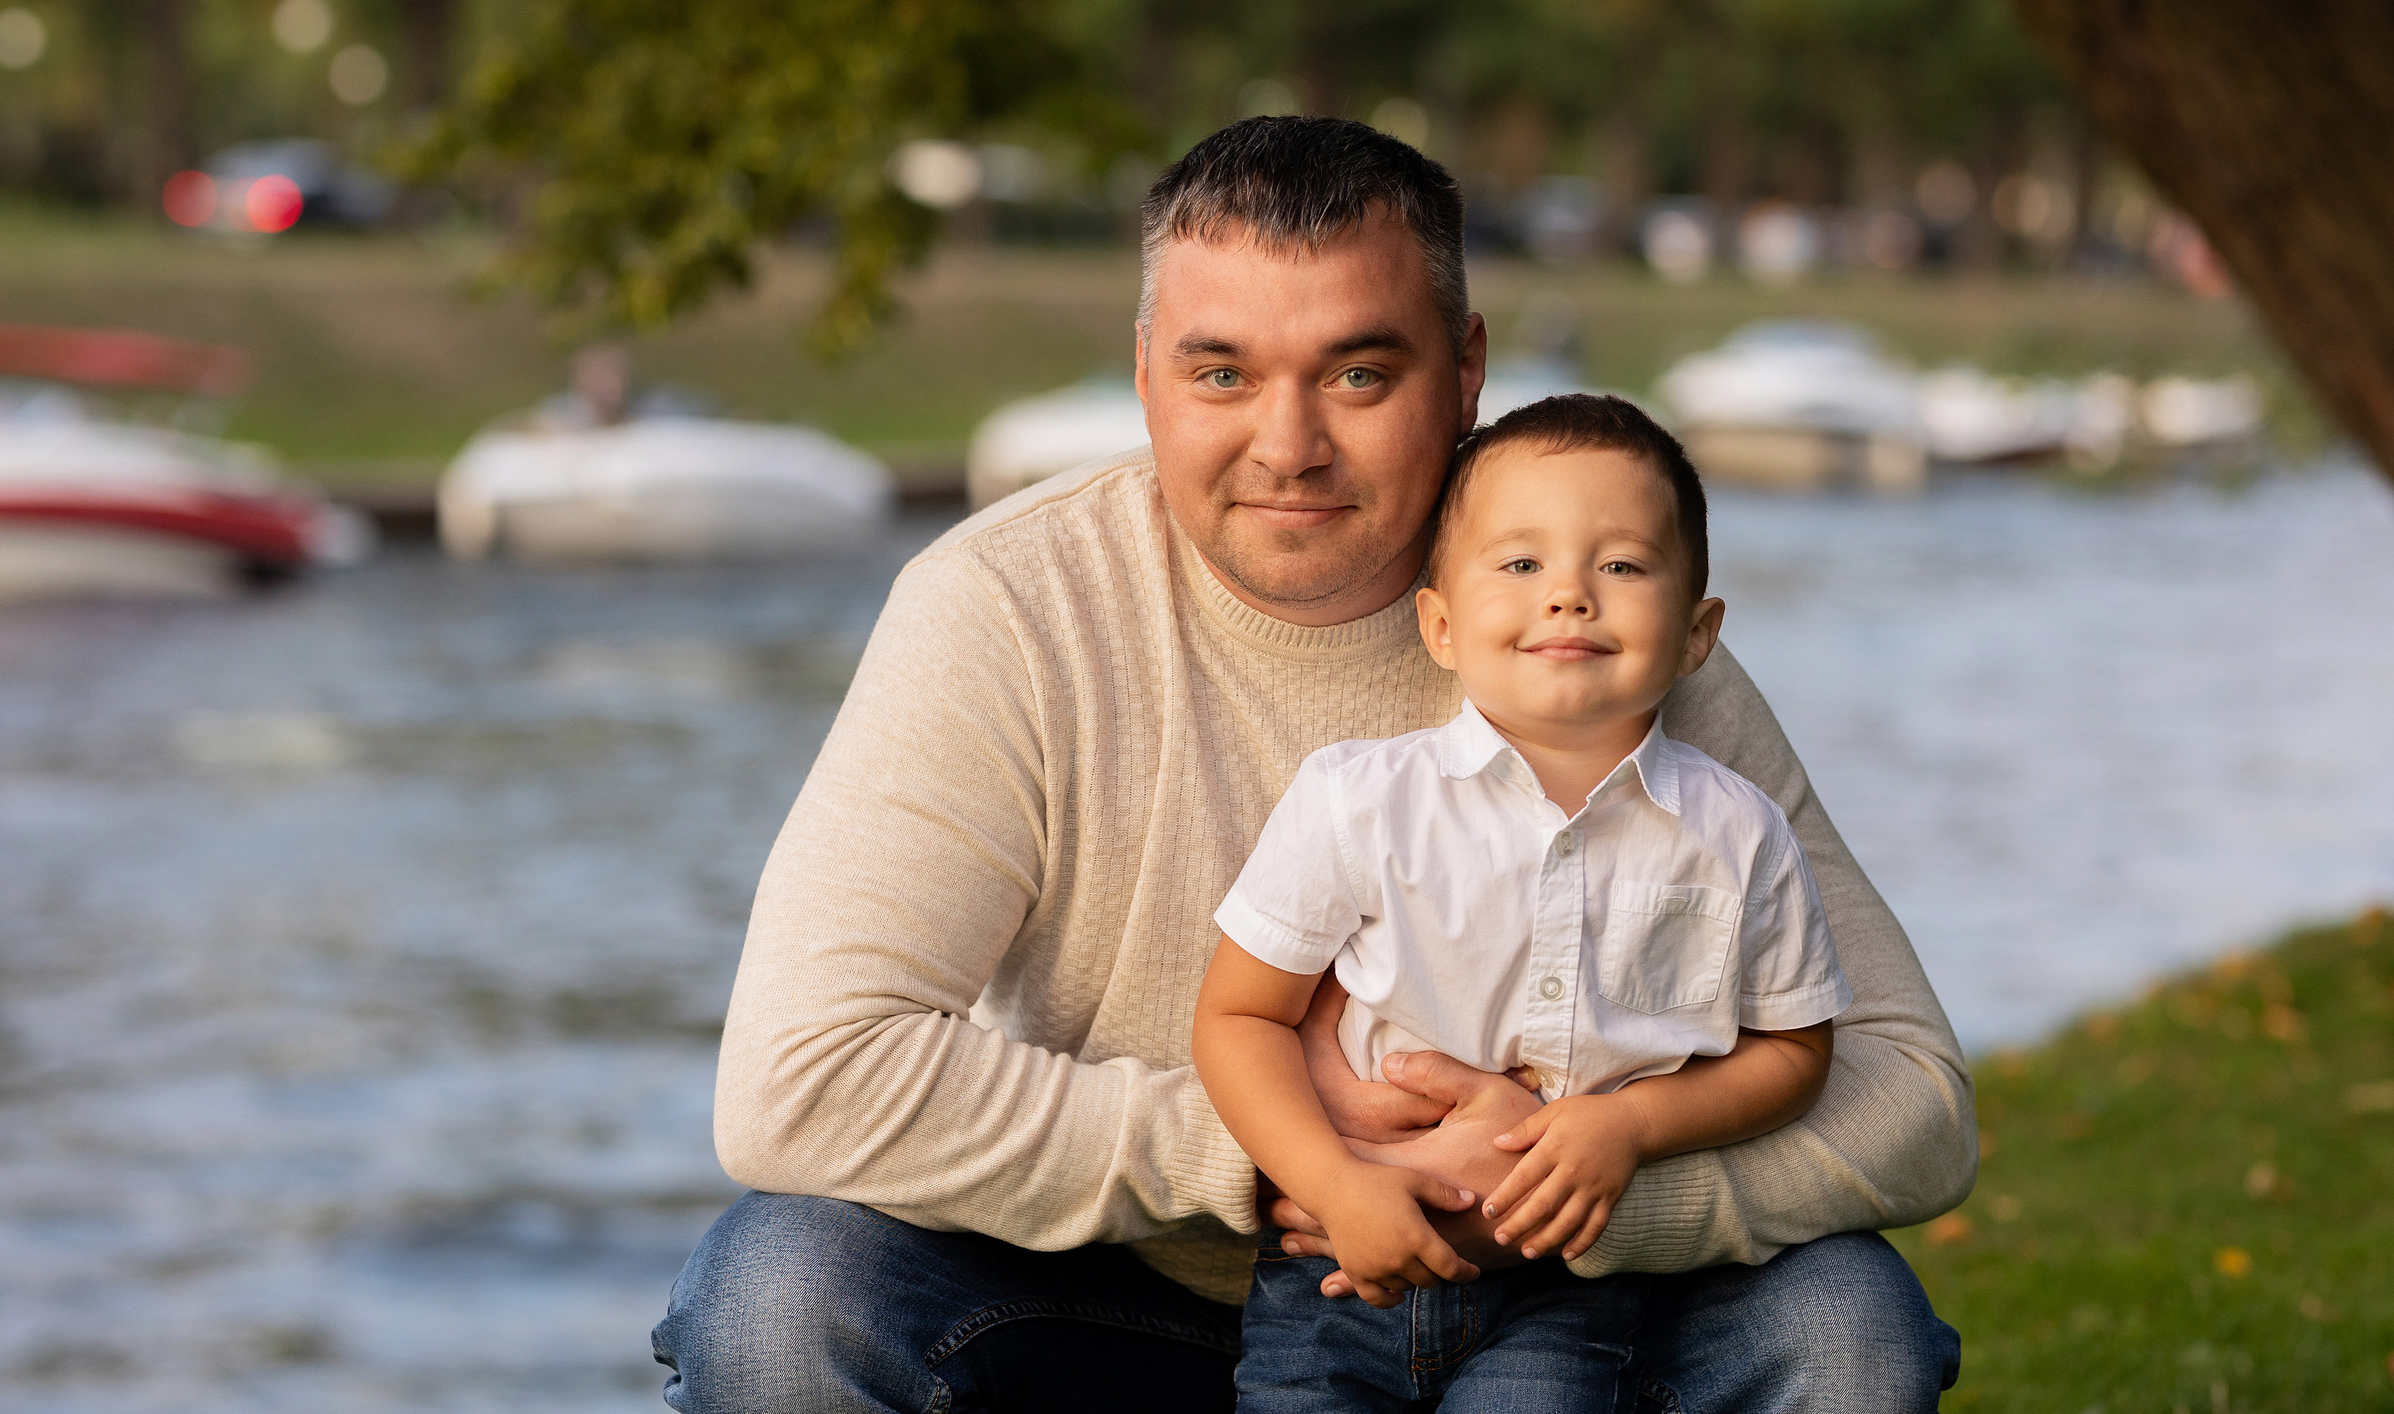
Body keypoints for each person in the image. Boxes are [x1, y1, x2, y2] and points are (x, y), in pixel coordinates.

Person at [654, 117, 1972, 1413]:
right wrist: (1289, 1154)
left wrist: (1569, 1180)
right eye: (1221, 372)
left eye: (1357, 373)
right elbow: (801, 1074)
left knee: (1846, 1325)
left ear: (1465, 371)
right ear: (1145, 373)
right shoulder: (1004, 608)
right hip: (1108, 1296)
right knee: (782, 1297)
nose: (1288, 445)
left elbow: (1911, 1095)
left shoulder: (1590, 629)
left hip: (1551, 1301)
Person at [1196, 395, 1849, 1411]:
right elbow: (1239, 1017)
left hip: (1566, 1285)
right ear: (1440, 623)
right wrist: (1332, 1183)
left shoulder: (1738, 834)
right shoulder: (1359, 800)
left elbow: (1795, 1051)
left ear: (1695, 633)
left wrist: (1632, 1128)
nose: (1569, 597)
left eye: (1622, 567)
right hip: (1338, 1269)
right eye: (1520, 563)